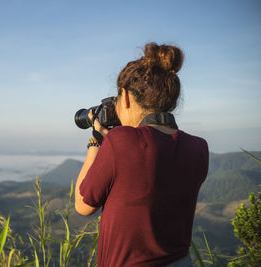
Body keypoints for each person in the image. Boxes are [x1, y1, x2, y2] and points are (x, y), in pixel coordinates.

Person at [74, 42, 209, 267]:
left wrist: (96, 142)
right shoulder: (198, 148)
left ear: (125, 96)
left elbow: (83, 205)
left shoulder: (121, 142)